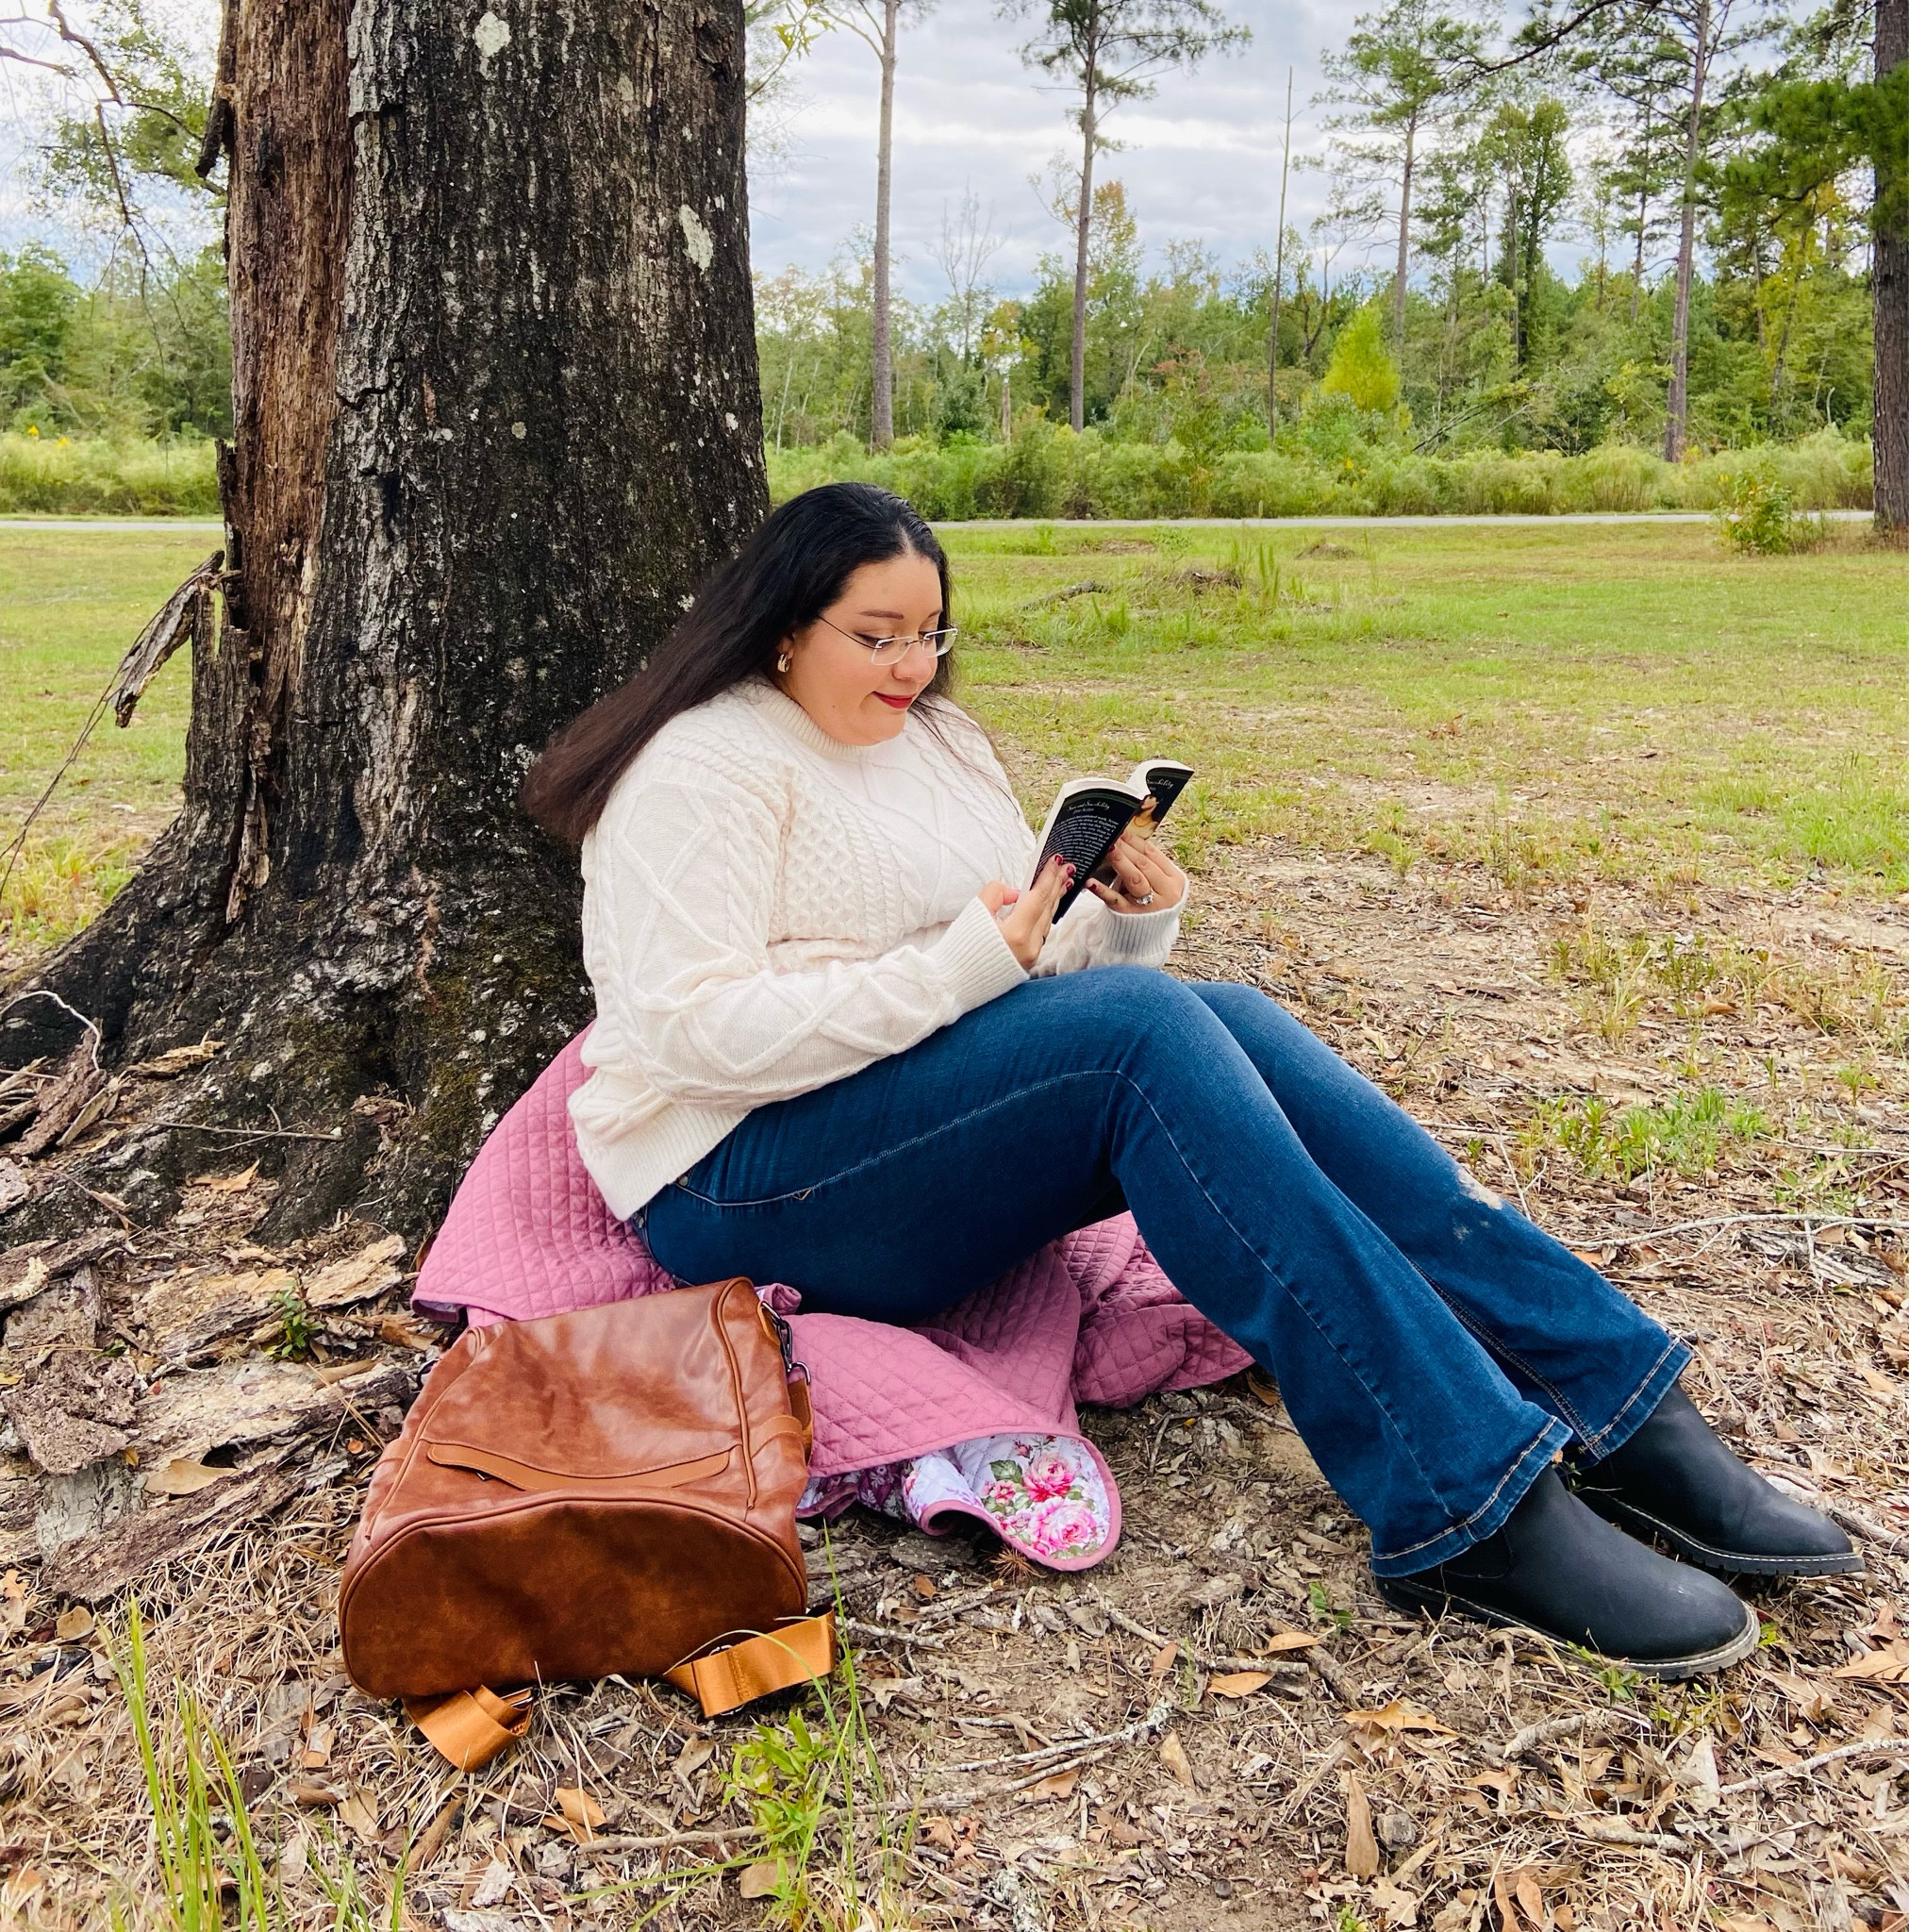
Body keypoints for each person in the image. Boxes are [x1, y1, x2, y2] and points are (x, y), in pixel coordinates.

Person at [523, 482, 1856, 1679]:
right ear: (780, 626)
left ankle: (1618, 1405)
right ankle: (1466, 1505)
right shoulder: (701, 767)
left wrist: (1131, 918)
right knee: (1142, 1034)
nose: (912, 664)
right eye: (876, 634)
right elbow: (687, 1031)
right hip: (744, 1179)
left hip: (906, 1131)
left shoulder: (938, 743)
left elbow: (1031, 984)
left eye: (930, 633)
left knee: (1208, 1009)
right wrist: (958, 969)